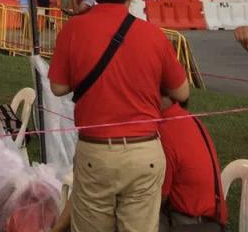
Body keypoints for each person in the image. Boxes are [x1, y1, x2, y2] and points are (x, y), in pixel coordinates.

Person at [49, 0, 189, 232]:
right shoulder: (153, 34)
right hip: (144, 151)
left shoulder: (73, 29)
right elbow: (182, 92)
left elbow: (58, 86)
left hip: (96, 152)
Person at [51, 98, 227, 232]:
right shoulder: (184, 119)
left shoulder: (160, 133)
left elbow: (151, 197)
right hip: (208, 218)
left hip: (188, 223)